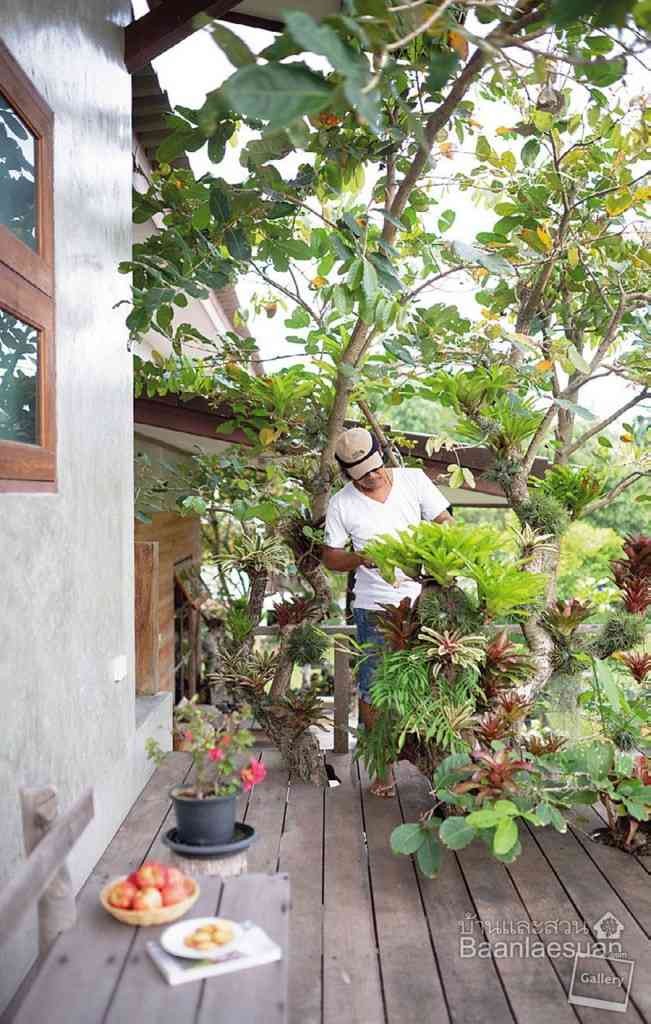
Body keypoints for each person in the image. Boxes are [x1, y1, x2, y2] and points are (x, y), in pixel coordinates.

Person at [322, 427, 453, 797]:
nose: (372, 477)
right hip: (374, 608)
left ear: (381, 456)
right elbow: (331, 557)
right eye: (362, 475)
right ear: (348, 475)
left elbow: (447, 523)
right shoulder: (342, 504)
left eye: (375, 468)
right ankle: (382, 768)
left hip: (423, 600)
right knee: (374, 688)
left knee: (432, 682)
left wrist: (429, 548)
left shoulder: (414, 481)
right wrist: (361, 558)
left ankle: (439, 766)